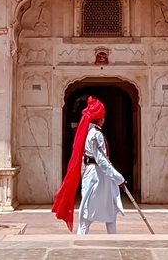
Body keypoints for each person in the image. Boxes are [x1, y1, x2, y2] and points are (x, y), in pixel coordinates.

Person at [51, 96, 125, 234]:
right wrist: (118, 178)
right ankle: (83, 239)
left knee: (110, 209)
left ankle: (112, 238)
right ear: (101, 118)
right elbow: (102, 160)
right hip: (97, 176)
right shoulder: (95, 134)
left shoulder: (89, 133)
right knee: (88, 212)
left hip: (96, 175)